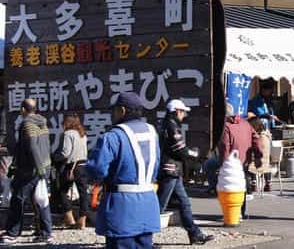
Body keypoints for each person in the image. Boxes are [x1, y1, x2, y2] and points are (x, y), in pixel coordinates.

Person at [85, 93, 161, 249]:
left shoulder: (112, 136)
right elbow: (157, 164)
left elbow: (96, 169)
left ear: (122, 110)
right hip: (148, 203)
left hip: (121, 208)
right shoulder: (152, 132)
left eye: (115, 111)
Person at [157, 99, 214, 245]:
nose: (184, 114)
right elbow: (180, 149)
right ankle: (140, 237)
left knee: (184, 204)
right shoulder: (172, 126)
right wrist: (195, 154)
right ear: (177, 111)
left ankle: (195, 234)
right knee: (159, 206)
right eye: (183, 111)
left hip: (173, 171)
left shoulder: (167, 124)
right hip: (170, 171)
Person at [1, 99, 54, 245]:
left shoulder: (27, 124)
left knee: (18, 199)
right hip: (43, 166)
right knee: (41, 200)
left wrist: (38, 168)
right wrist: (44, 169)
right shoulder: (42, 123)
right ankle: (46, 232)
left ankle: (12, 233)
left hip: (29, 170)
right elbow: (45, 145)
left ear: (23, 109)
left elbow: (32, 147)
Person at [218, 104, 262, 219]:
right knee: (241, 186)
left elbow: (225, 147)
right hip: (245, 160)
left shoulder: (226, 126)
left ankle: (234, 213)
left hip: (232, 163)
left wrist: (223, 165)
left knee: (231, 187)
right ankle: (241, 212)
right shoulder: (245, 123)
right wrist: (258, 156)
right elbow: (256, 139)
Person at [52, 113, 89, 229]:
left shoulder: (67, 134)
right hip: (83, 165)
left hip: (71, 167)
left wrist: (54, 157)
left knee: (62, 191)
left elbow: (65, 153)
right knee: (83, 194)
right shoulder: (82, 134)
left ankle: (70, 218)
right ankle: (82, 219)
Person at [248, 118, 272, 192]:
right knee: (266, 163)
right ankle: (268, 183)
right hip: (267, 164)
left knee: (249, 162)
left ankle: (253, 183)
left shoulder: (259, 137)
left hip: (258, 163)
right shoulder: (268, 135)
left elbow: (255, 149)